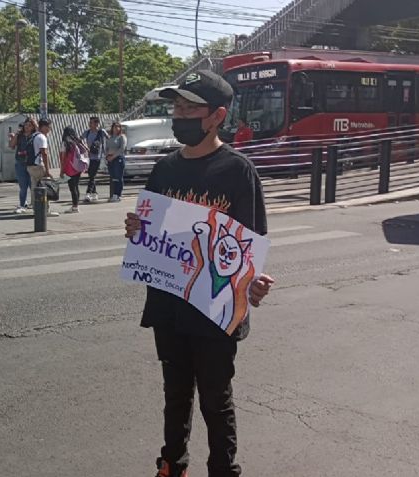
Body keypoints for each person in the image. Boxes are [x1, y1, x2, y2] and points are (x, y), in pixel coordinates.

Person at [124, 70, 274, 477]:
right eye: (177, 107)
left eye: (190, 108)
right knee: (175, 394)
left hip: (215, 310)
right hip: (169, 304)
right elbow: (146, 225)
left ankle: (224, 469)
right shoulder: (164, 169)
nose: (180, 115)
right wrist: (136, 229)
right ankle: (172, 464)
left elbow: (250, 245)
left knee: (215, 398)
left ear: (216, 116)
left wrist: (254, 283)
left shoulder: (238, 171)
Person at [25, 118, 59, 218]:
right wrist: (47, 171)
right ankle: (45, 210)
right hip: (38, 166)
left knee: (35, 188)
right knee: (46, 186)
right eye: (49, 126)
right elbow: (44, 154)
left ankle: (37, 210)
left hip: (30, 166)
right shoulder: (41, 137)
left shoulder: (33, 135)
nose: (50, 129)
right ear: (43, 127)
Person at [59, 125, 88, 214]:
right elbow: (86, 150)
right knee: (76, 186)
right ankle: (76, 205)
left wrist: (62, 171)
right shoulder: (77, 141)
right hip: (78, 167)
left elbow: (63, 158)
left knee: (72, 187)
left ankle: (75, 207)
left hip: (69, 168)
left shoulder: (65, 143)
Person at [82, 116, 109, 203]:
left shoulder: (102, 132)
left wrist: (106, 151)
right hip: (89, 157)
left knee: (92, 176)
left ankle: (88, 193)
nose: (90, 124)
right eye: (90, 122)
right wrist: (86, 148)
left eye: (92, 122)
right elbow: (80, 140)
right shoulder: (87, 132)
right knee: (91, 175)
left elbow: (109, 140)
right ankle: (95, 193)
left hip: (98, 157)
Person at [8, 119, 32, 214]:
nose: (27, 127)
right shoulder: (20, 136)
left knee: (32, 185)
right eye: (26, 125)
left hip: (31, 163)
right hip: (20, 162)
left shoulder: (35, 136)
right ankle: (22, 205)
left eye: (29, 125)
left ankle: (36, 204)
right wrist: (15, 136)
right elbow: (11, 145)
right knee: (23, 186)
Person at [105, 121, 127, 203]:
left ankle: (118, 195)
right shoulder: (110, 137)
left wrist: (113, 156)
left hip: (118, 158)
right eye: (115, 126)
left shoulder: (122, 137)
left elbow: (121, 149)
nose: (117, 128)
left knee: (118, 177)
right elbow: (107, 147)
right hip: (110, 158)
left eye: (118, 127)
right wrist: (107, 156)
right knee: (113, 177)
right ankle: (114, 194)